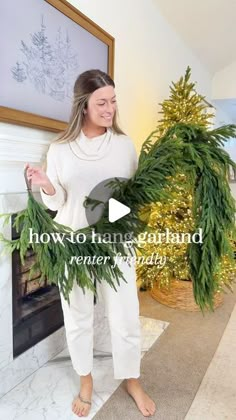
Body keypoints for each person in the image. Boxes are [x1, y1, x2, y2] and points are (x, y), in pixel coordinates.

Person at [25, 69, 156, 418]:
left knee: (126, 315)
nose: (110, 108)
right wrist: (45, 184)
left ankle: (131, 378)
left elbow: (133, 198)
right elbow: (57, 204)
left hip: (115, 244)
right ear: (83, 105)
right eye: (102, 102)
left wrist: (114, 218)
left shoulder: (124, 145)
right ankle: (86, 381)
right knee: (78, 315)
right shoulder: (61, 149)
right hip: (74, 243)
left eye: (113, 101)